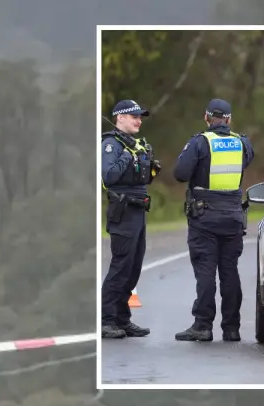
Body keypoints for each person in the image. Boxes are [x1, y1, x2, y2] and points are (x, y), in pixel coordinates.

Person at [172, 98, 254, 342]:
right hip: (233, 216)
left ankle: (203, 325)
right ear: (229, 119)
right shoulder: (242, 143)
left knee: (206, 271)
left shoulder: (200, 142)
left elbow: (180, 174)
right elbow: (245, 162)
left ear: (206, 117)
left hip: (204, 216)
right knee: (230, 271)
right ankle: (231, 328)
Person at [100, 99, 161, 339]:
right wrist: (128, 154)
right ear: (120, 117)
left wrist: (150, 167)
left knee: (134, 268)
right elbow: (108, 176)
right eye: (134, 116)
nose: (139, 120)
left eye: (140, 117)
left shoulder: (135, 144)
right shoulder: (111, 144)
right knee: (120, 267)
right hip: (123, 211)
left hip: (138, 210)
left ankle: (123, 319)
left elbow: (141, 179)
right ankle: (106, 320)